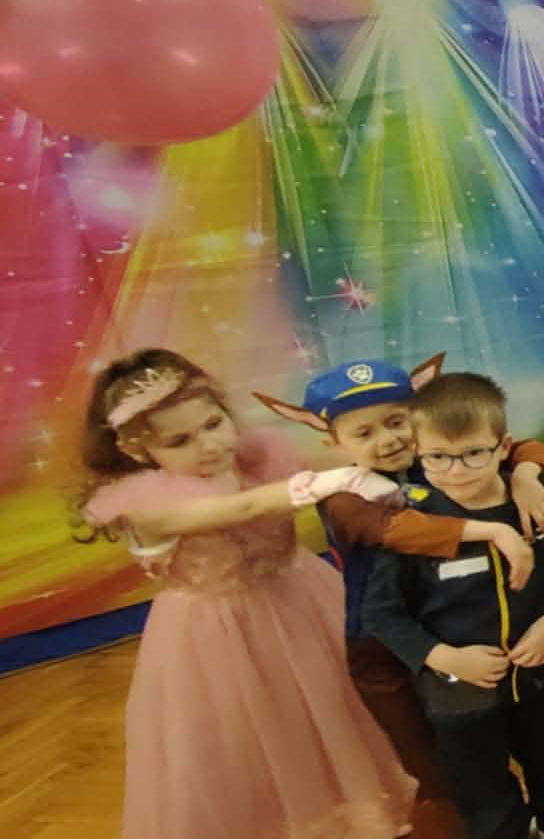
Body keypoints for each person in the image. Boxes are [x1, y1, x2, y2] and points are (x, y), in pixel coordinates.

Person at [78, 348, 418, 839]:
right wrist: (335, 480)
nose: (210, 445)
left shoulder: (261, 459)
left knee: (336, 711)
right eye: (180, 441)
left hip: (303, 600)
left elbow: (339, 457)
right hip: (218, 636)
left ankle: (369, 809)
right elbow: (243, 508)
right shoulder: (147, 505)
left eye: (214, 423)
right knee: (254, 739)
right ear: (137, 451)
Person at [256, 354, 544, 839]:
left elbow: (524, 446)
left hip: (454, 628)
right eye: (364, 432)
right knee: (432, 766)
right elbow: (397, 529)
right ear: (333, 442)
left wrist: (525, 474)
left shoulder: (434, 461)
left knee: (479, 744)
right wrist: (493, 531)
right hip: (385, 648)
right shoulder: (343, 496)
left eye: (397, 422)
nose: (388, 439)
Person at [361, 373, 544, 839]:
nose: (456, 470)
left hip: (539, 673)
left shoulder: (531, 502)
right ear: (418, 451)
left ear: (503, 448)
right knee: (480, 784)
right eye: (438, 456)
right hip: (460, 693)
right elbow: (381, 613)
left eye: (473, 453)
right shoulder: (413, 526)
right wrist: (443, 658)